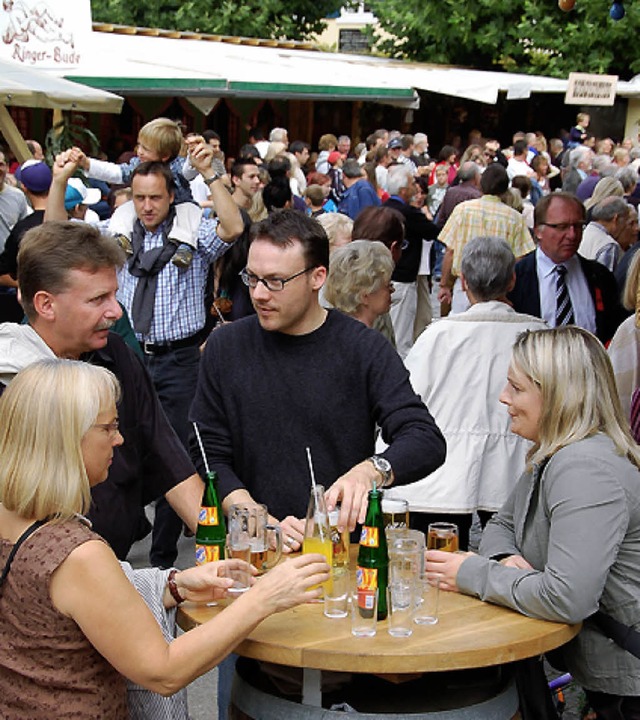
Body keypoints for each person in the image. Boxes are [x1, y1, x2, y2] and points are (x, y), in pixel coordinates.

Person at [0, 359, 330, 719]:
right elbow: (164, 670)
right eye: (109, 427)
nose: (120, 438)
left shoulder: (10, 514)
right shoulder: (77, 555)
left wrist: (174, 585)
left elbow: (56, 608)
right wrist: (265, 598)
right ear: (66, 437)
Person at [189, 209, 446, 545]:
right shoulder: (226, 346)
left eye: (275, 281)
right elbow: (206, 448)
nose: (259, 294)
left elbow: (424, 437)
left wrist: (371, 471)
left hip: (338, 550)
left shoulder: (362, 347)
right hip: (252, 551)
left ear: (317, 276)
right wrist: (251, 513)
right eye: (252, 278)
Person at [426, 326, 640, 720]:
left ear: (559, 394)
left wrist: (472, 573)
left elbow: (568, 597)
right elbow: (499, 527)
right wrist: (507, 559)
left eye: (516, 387)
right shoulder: (557, 453)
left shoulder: (584, 468)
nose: (504, 398)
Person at [0, 221, 204, 561]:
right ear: (45, 304)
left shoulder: (117, 354)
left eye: (114, 294)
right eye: (98, 299)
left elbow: (168, 457)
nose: (116, 311)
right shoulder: (9, 381)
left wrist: (223, 542)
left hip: (117, 567)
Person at [388, 237, 546, 550]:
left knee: (437, 557)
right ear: (512, 280)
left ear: (464, 282)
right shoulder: (536, 334)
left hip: (445, 472)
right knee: (511, 556)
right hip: (514, 465)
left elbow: (409, 398)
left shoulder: (439, 335)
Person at [74, 118, 202, 268]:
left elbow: (189, 171)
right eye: (139, 145)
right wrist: (88, 164)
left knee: (190, 212)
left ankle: (185, 248)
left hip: (179, 207)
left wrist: (194, 158)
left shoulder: (177, 166)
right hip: (150, 213)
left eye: (146, 149)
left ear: (165, 155)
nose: (139, 151)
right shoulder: (137, 165)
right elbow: (116, 172)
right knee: (124, 208)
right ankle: (121, 239)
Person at [507, 192, 625, 345]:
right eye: (562, 227)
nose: (572, 235)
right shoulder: (516, 280)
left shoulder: (600, 277)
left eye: (577, 226)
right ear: (538, 231)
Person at [323, 240, 394, 328]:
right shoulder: (367, 339)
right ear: (365, 296)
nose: (392, 290)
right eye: (387, 286)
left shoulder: (332, 328)